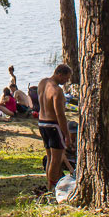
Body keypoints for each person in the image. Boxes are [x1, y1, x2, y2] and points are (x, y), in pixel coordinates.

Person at [37, 64, 72, 192]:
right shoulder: (57, 91)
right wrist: (67, 135)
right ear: (59, 74)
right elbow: (60, 115)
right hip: (53, 125)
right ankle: (52, 188)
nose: (66, 81)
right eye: (66, 78)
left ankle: (49, 185)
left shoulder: (42, 83)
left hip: (42, 123)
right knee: (56, 160)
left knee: (50, 157)